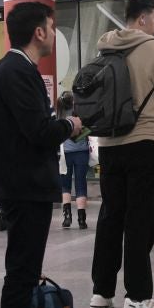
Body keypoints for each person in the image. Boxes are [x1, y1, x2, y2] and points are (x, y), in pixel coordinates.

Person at [0, 1, 81, 308]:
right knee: (21, 274)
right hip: (23, 186)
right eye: (51, 25)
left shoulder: (17, 70)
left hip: (24, 185)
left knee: (24, 271)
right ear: (39, 32)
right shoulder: (16, 71)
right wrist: (69, 125)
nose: (54, 32)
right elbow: (38, 131)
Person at [90, 0, 154, 308]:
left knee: (111, 217)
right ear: (142, 18)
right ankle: (138, 298)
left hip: (110, 143)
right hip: (146, 141)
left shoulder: (105, 48)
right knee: (142, 219)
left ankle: (101, 293)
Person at [57, 91, 89, 229]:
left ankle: (67, 217)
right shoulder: (80, 113)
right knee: (81, 184)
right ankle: (82, 220)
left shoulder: (59, 116)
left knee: (65, 185)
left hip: (65, 154)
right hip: (82, 152)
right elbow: (88, 130)